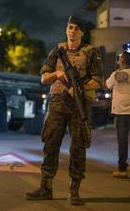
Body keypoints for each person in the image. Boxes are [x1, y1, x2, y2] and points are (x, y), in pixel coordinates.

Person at [25, 15, 103, 205]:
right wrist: (57, 74)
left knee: (78, 147)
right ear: (66, 30)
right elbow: (43, 78)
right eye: (70, 27)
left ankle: (74, 191)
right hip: (58, 102)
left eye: (77, 28)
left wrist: (78, 88)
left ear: (82, 32)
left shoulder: (91, 52)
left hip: (79, 104)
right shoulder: (57, 50)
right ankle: (45, 188)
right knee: (50, 144)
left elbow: (97, 81)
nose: (73, 30)